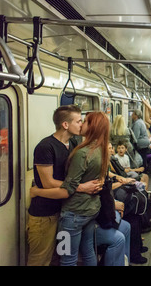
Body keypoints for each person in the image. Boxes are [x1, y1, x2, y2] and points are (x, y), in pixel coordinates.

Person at [30, 111, 110, 266]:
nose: (81, 124)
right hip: (88, 211)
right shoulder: (98, 149)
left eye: (84, 121)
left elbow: (67, 190)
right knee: (87, 250)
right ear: (65, 125)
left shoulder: (82, 152)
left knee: (66, 257)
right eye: (79, 121)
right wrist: (81, 187)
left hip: (72, 215)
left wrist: (36, 191)